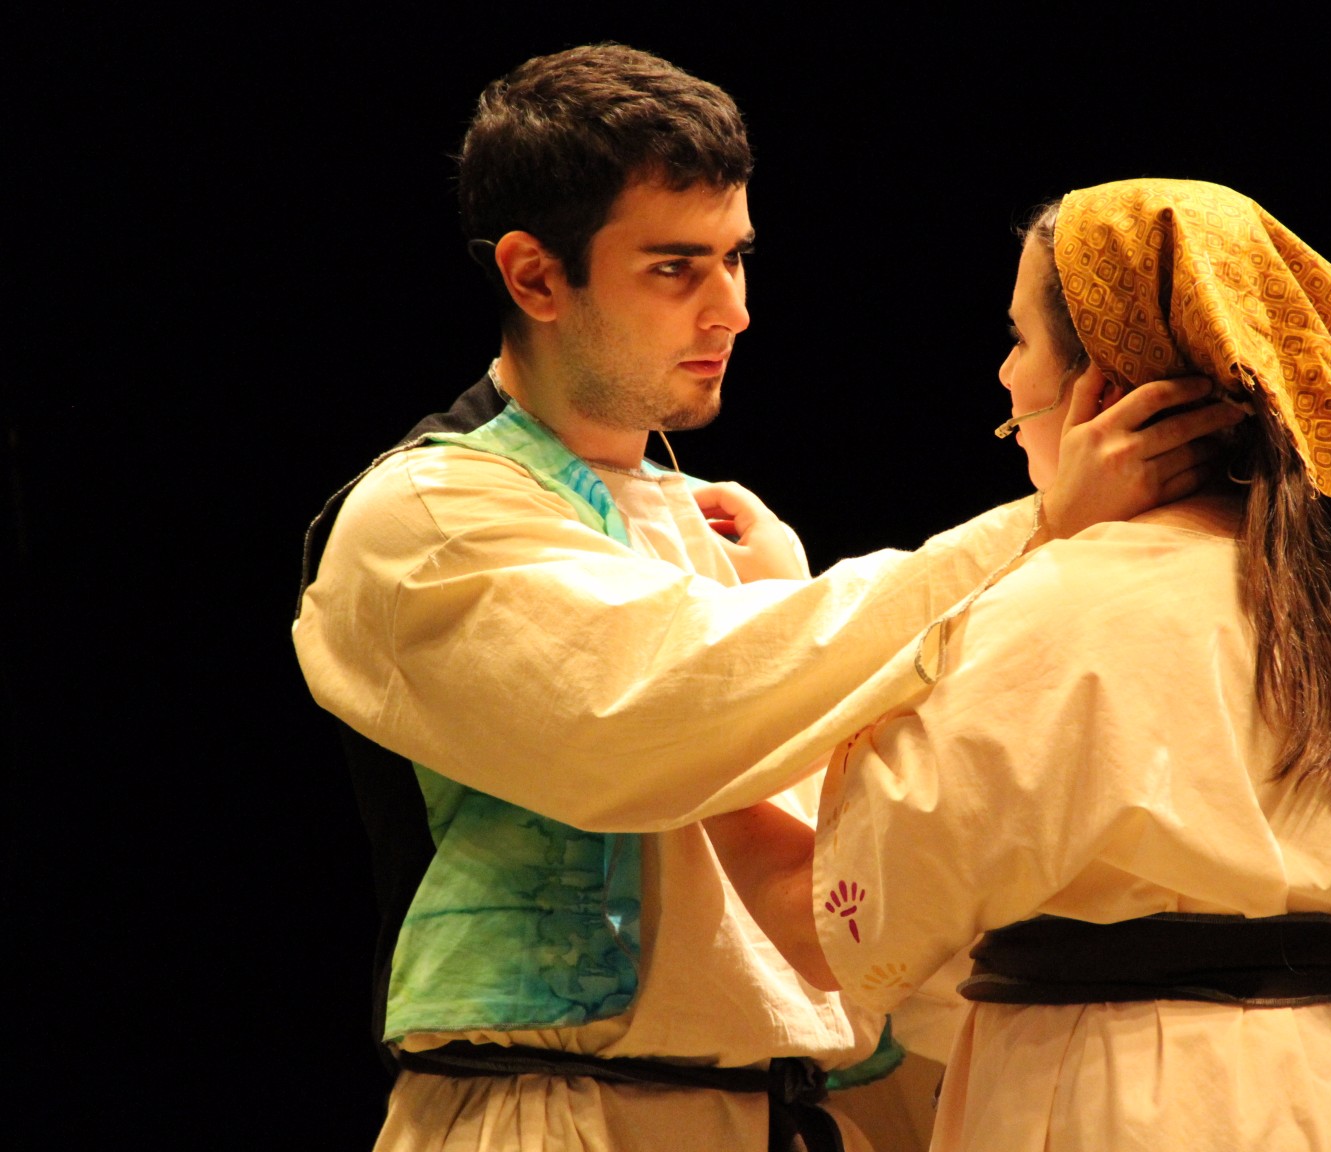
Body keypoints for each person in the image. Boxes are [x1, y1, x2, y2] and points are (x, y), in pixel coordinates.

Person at [292, 47, 1238, 1152]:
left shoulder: (725, 533)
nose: (732, 311)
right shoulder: (426, 516)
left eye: (737, 258)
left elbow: (866, 847)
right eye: (675, 269)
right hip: (562, 1111)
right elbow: (652, 706)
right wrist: (1038, 526)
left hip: (795, 1111)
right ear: (536, 278)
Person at [706, 178, 1331, 1150]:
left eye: (1020, 338)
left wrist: (702, 723)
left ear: (1109, 392)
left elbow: (822, 926)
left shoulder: (1061, 606)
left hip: (1152, 1105)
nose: (1005, 374)